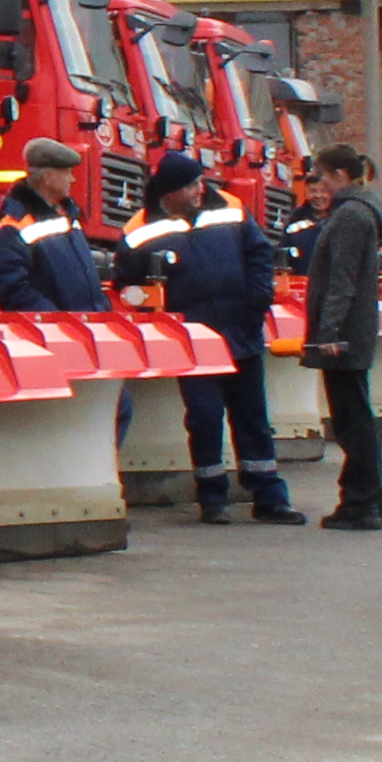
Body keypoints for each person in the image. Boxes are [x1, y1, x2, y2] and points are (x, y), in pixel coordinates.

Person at [124, 149, 293, 522]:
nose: (201, 189)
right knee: (204, 417)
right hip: (191, 341)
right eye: (192, 184)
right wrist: (155, 315)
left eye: (200, 181)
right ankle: (212, 496)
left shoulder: (231, 208)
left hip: (241, 328)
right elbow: (126, 286)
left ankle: (269, 496)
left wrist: (258, 300)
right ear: (171, 191)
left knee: (253, 416)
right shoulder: (138, 229)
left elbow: (259, 254)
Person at [297, 142, 382, 529]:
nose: (319, 185)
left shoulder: (350, 216)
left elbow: (342, 279)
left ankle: (361, 502)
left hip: (345, 334)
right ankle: (372, 500)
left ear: (339, 175)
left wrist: (329, 332)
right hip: (354, 331)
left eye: (322, 176)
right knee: (357, 415)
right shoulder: (361, 212)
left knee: (352, 420)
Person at [0, 137, 108, 311]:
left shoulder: (67, 216)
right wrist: (54, 320)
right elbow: (13, 289)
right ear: (48, 177)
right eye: (66, 173)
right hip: (57, 332)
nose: (72, 179)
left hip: (81, 328)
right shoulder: (14, 226)